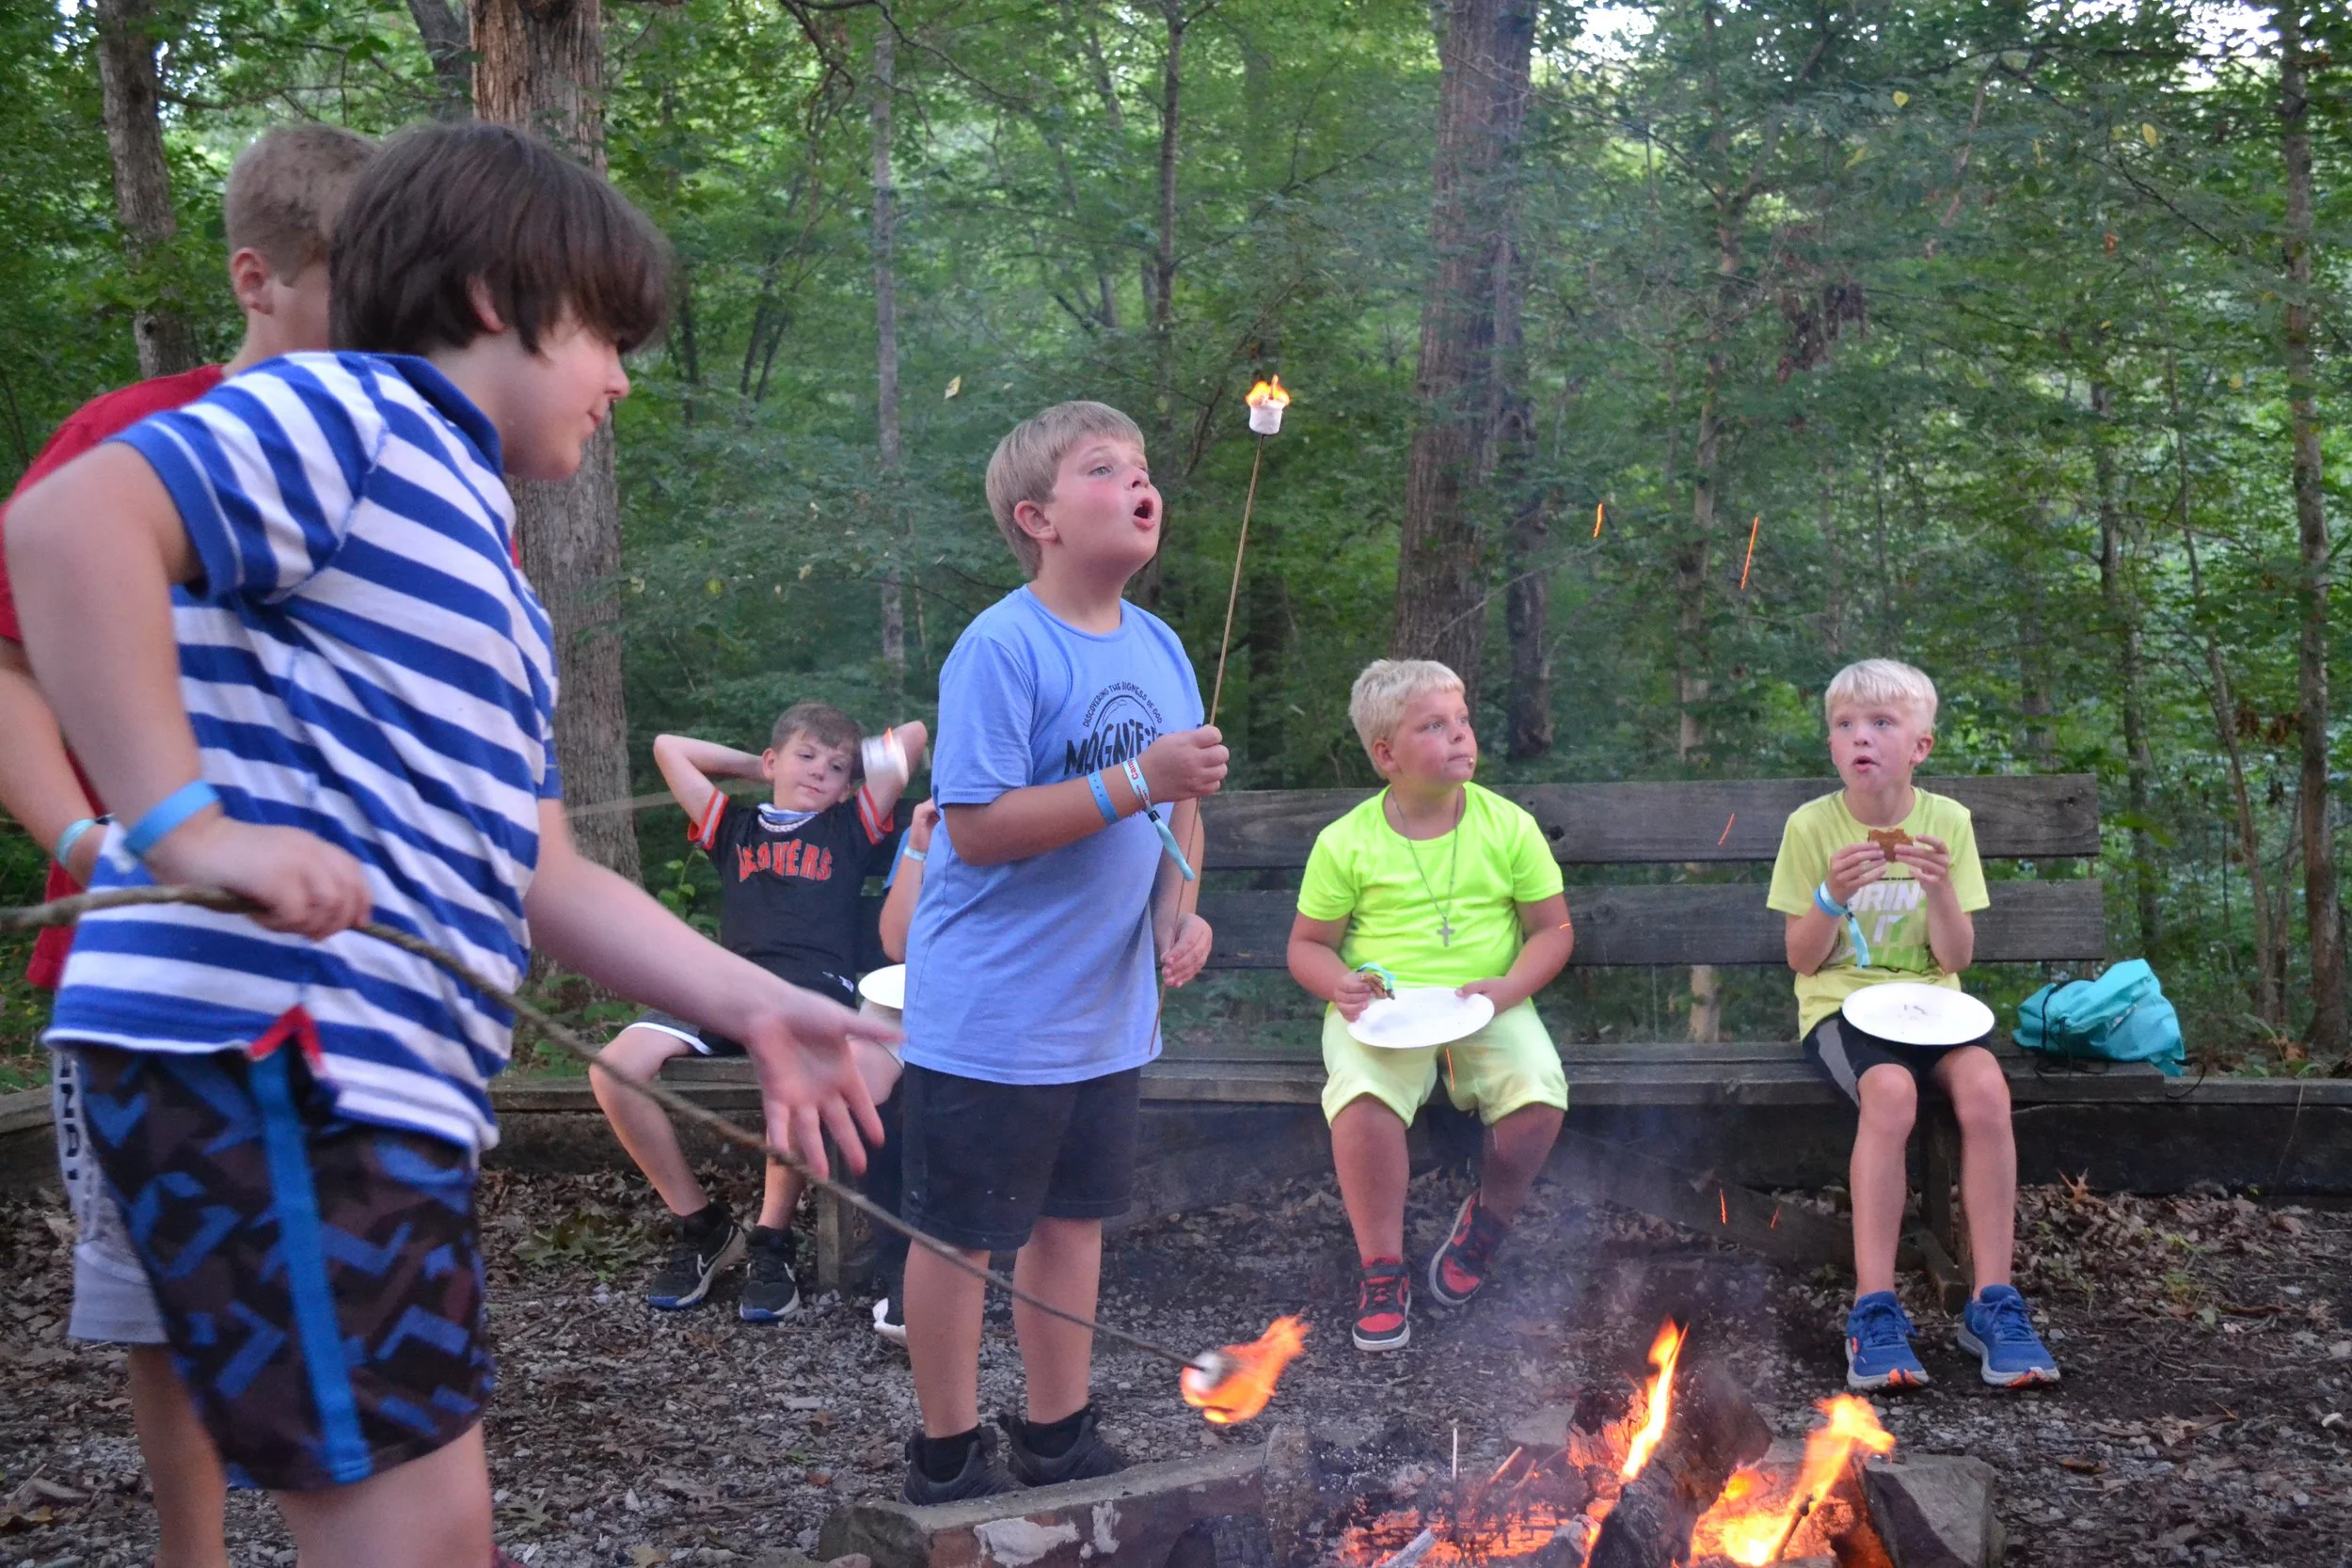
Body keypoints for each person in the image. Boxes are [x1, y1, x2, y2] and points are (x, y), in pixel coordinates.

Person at [5, 121, 894, 1568]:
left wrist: (752, 1000)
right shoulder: (355, 417)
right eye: (609, 333)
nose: (620, 377)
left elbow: (547, 875)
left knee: (438, 1520)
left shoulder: (488, 572)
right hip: (273, 1059)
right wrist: (181, 823)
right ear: (494, 295)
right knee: (408, 1531)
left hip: (370, 1092)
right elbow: (65, 525)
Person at [0, 120, 373, 1568]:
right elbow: (14, 666)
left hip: (347, 969)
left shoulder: (403, 465)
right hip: (148, 969)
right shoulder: (122, 437)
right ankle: (194, 1554)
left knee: (355, 1278)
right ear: (259, 279)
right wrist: (92, 842)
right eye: (363, 296)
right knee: (175, 1308)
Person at [896, 400, 1224, 1502]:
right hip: (994, 1013)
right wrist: (1140, 778)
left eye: (1141, 465)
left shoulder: (1163, 643)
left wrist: (1180, 911)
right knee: (961, 1236)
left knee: (1071, 1222)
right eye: (1104, 467)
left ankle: (1054, 1432)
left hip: (1104, 1011)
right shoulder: (1003, 644)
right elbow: (977, 825)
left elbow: (1184, 814)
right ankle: (945, 1453)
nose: (1139, 481)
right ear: (1037, 517)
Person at [1766, 657, 2059, 1392]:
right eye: (1845, 726)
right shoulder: (1812, 827)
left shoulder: (1947, 823)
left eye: (1881, 723)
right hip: (1841, 1005)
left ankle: (1994, 1302)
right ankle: (1875, 1309)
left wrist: (1939, 890)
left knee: (1988, 1091)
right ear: (1832, 746)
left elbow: (1956, 954)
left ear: (1920, 745)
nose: (1860, 737)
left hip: (1936, 1006)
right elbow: (1802, 960)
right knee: (1890, 1094)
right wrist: (1831, 896)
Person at [590, 704, 920, 1321]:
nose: (820, 770)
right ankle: (703, 1224)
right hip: (726, 990)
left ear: (851, 785)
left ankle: (772, 1239)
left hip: (807, 1000)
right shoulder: (733, 827)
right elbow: (668, 743)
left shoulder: (849, 828)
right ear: (773, 762)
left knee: (786, 1067)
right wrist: (761, 771)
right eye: (806, 755)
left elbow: (912, 737)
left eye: (836, 765)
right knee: (614, 1067)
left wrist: (826, 775)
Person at [1284, 659, 1573, 1353]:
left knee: (1538, 1096)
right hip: (1383, 1009)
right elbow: (1307, 946)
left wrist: (1506, 989)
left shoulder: (1506, 826)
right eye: (1434, 726)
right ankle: (1382, 1268)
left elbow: (1552, 931)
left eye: (1462, 720)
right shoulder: (1346, 841)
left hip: (1487, 1002)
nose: (1460, 736)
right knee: (1362, 1101)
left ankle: (1486, 1224)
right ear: (1386, 754)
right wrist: (1338, 985)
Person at [866, 794, 940, 1347]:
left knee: (929, 1090)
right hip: (907, 996)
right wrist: (917, 843)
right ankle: (896, 1260)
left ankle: (930, 1264)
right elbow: (896, 943)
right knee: (859, 1085)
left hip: (995, 1000)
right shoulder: (932, 822)